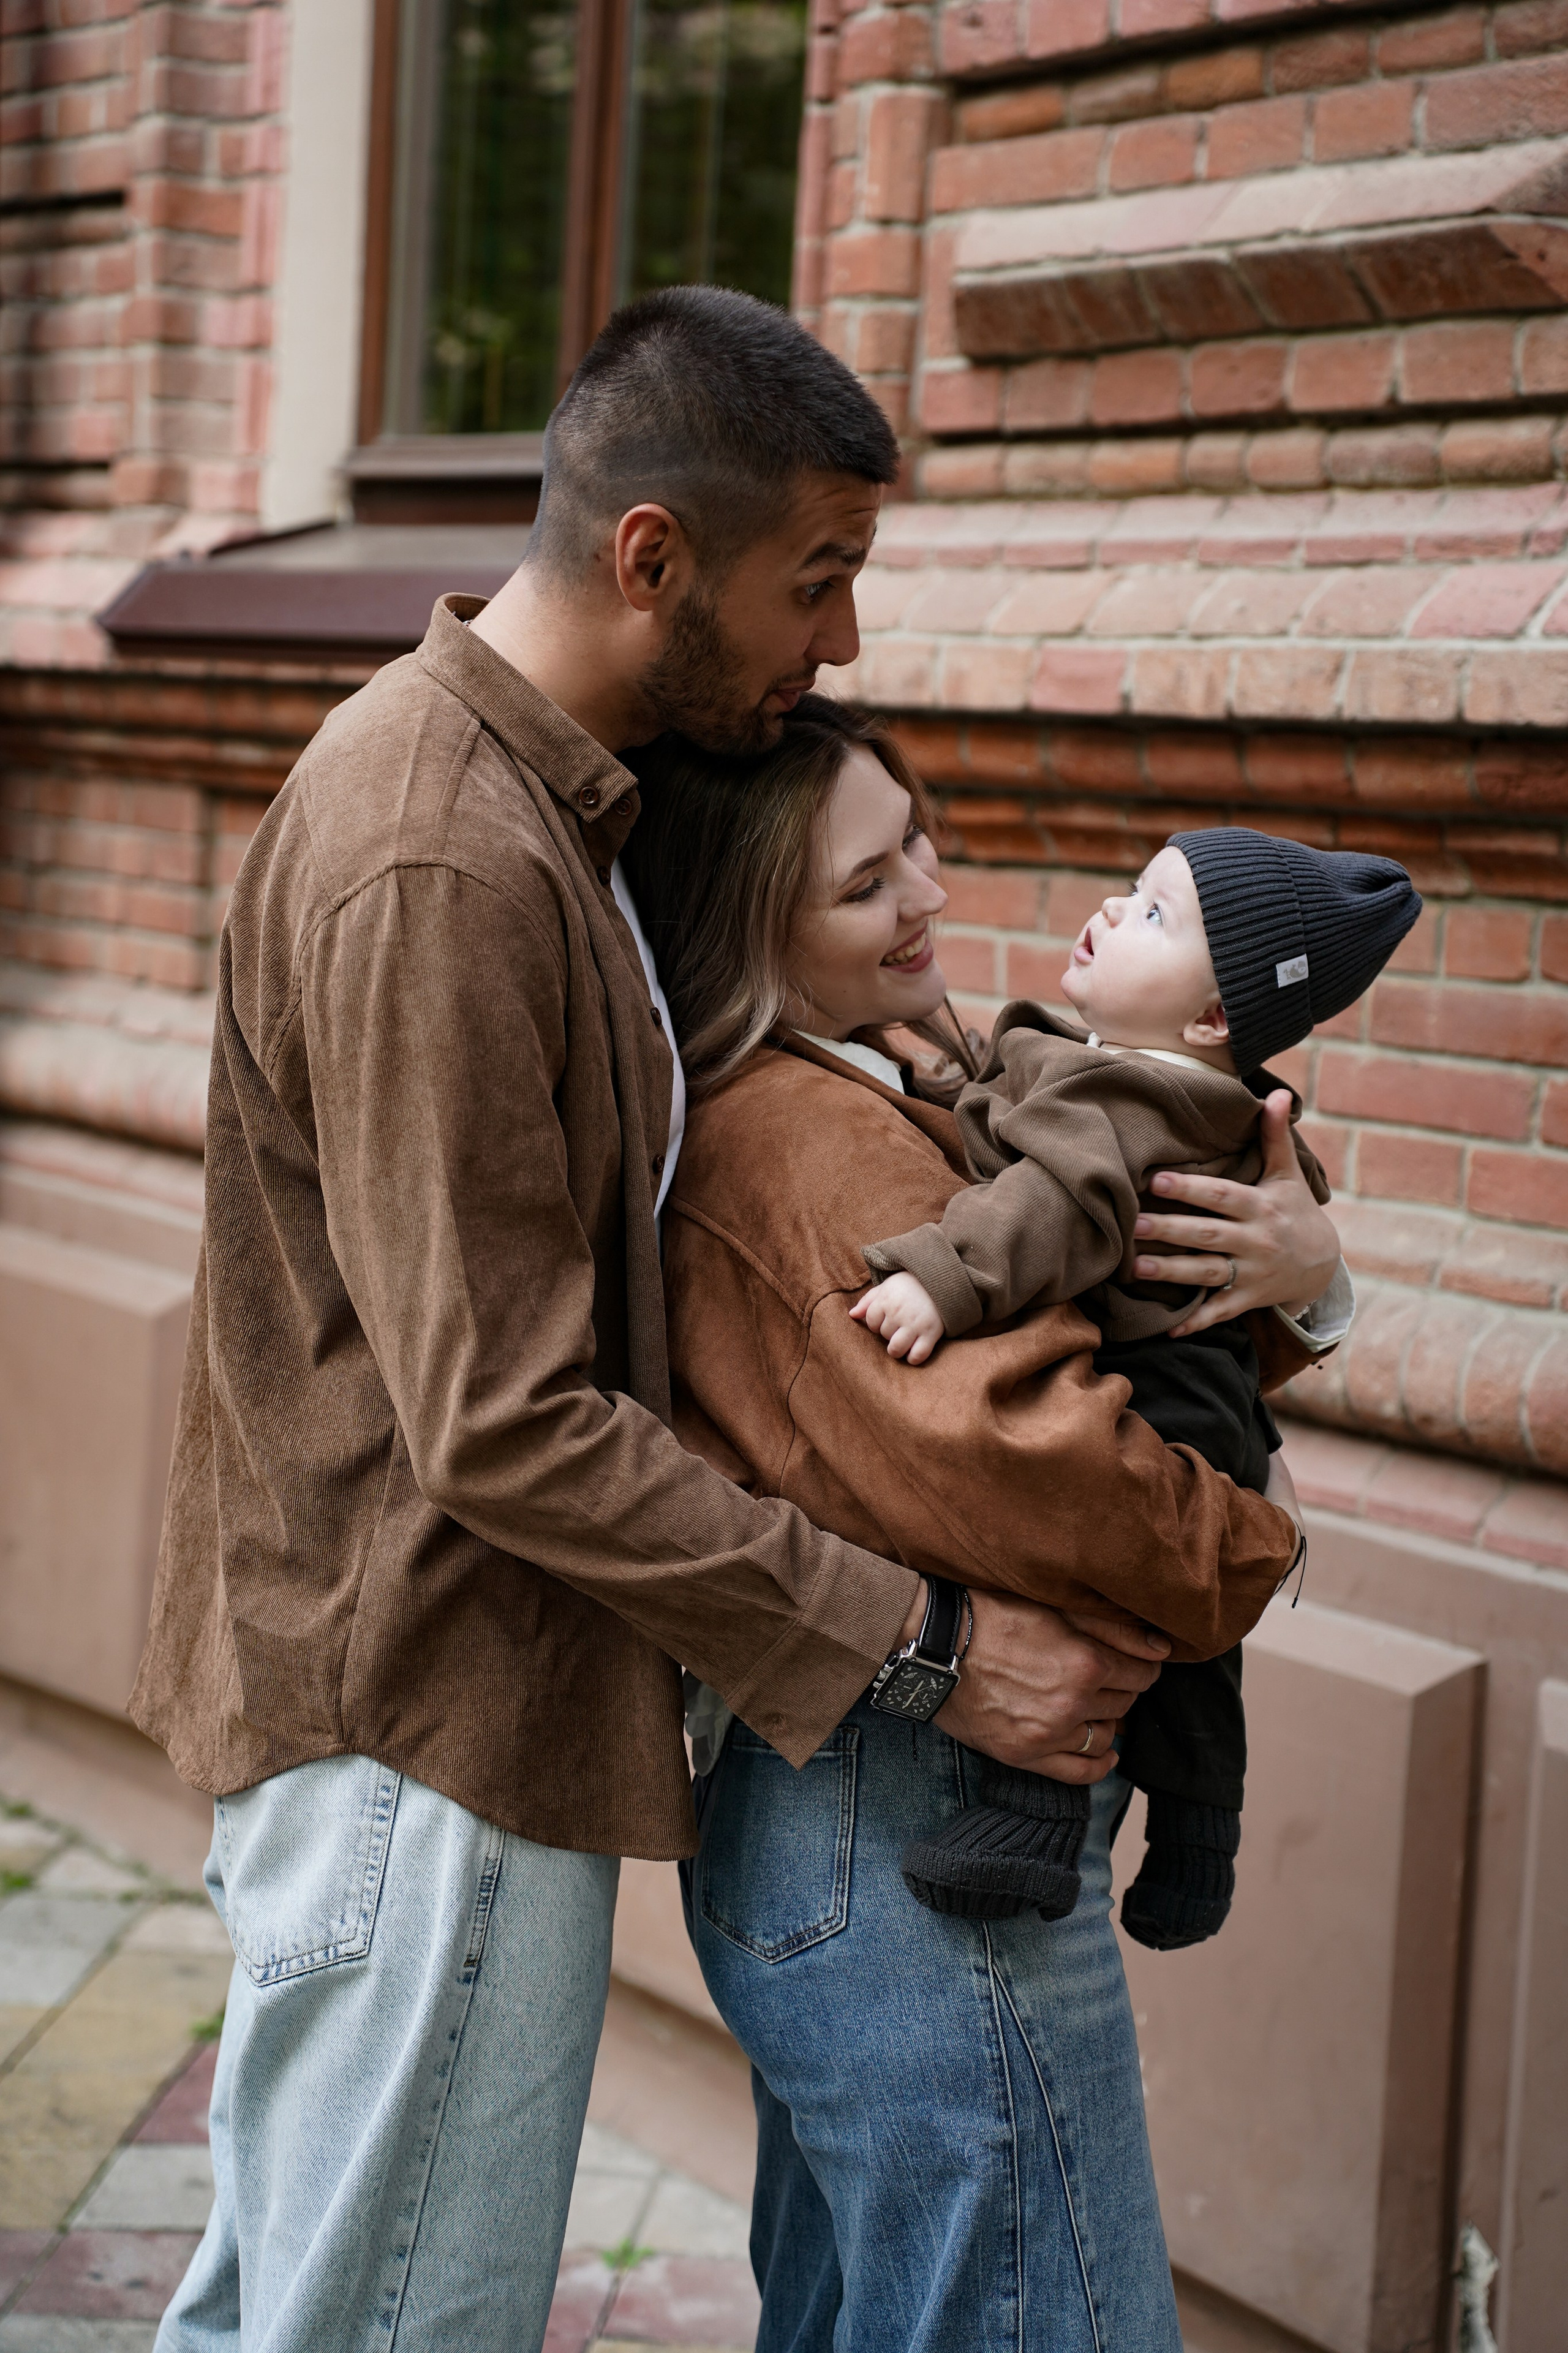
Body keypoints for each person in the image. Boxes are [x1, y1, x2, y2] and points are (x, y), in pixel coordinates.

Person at [131, 288, 1173, 2353]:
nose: (842, 646)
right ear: (650, 559)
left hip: (445, 1715)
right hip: (420, 1730)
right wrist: (935, 1648)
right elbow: (504, 1421)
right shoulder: (445, 849)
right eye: (821, 578)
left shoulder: (549, 810)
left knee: (306, 2311)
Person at [620, 697, 1351, 2352]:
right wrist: (1258, 1544)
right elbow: (1051, 1473)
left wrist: (1318, 1286)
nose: (932, 898)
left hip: (874, 1836)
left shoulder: (920, 1071)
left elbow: (1169, 1275)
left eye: (920, 842)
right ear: (758, 927)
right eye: (870, 883)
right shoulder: (805, 1140)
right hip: (908, 1845)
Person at [853, 829, 1419, 1947]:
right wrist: (949, 1072)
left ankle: (1033, 1822)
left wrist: (943, 1281)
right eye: (1133, 889)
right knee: (1189, 1643)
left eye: (1155, 914)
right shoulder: (1141, 1069)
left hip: (1171, 1394)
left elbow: (1053, 1203)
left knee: (1090, 1596)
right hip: (1199, 1394)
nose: (1113, 909)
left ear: (1210, 1021)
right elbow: (1018, 1116)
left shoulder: (1139, 1102)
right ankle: (1201, 1825)